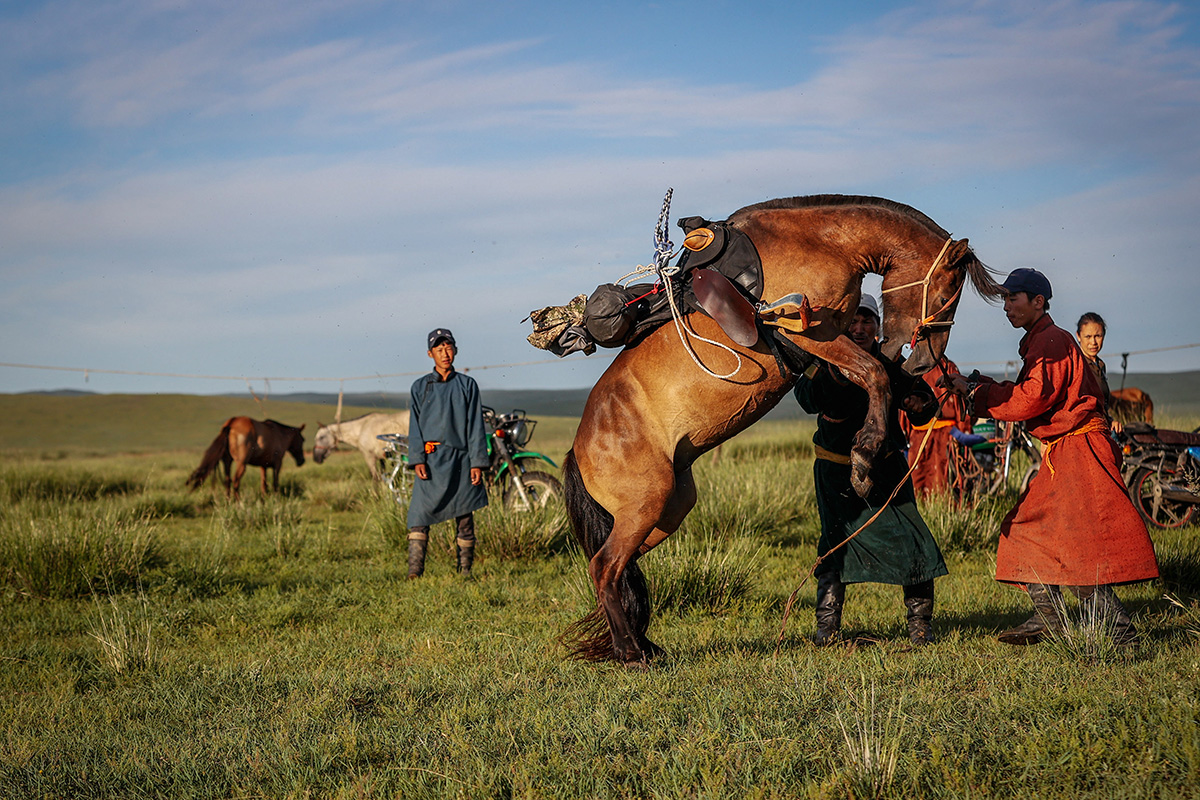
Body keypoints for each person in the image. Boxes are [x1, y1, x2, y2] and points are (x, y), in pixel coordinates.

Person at [945, 269, 1158, 645]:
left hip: (1080, 451)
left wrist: (978, 395)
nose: (1006, 306)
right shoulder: (1041, 341)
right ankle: (1050, 618)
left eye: (1013, 298)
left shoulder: (1053, 341)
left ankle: (1122, 635)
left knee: (1077, 544)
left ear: (1038, 302)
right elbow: (1030, 390)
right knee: (1028, 530)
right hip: (1066, 451)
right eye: (1005, 299)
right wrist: (979, 387)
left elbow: (1031, 399)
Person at [794, 295, 947, 647]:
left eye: (868, 322)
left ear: (878, 327)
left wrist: (919, 404)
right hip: (836, 472)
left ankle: (920, 630)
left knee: (915, 542)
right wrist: (837, 372)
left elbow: (923, 402)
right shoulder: (824, 358)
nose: (861, 329)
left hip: (888, 470)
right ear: (844, 325)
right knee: (835, 546)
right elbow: (807, 400)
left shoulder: (890, 362)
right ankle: (827, 631)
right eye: (854, 322)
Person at [405, 328, 490, 578]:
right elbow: (415, 426)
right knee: (418, 515)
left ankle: (465, 572)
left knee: (464, 515)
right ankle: (414, 572)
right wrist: (418, 457)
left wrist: (477, 463)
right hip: (430, 461)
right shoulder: (419, 387)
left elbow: (476, 425)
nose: (445, 353)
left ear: (455, 350)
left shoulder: (467, 385)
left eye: (449, 348)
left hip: (461, 460)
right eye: (439, 349)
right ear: (430, 354)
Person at [901, 357, 972, 498]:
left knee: (944, 478)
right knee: (917, 479)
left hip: (946, 435)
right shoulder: (912, 368)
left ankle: (944, 512)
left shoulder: (949, 368)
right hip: (919, 435)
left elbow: (960, 404)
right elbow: (905, 403)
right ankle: (923, 511)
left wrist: (963, 433)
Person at [1075, 312, 1119, 431]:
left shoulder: (1100, 365)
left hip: (1102, 427)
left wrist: (1110, 420)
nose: (1093, 342)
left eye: (1098, 336)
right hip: (1085, 431)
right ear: (1078, 336)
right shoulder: (1076, 365)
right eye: (1088, 337)